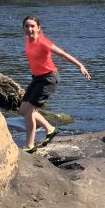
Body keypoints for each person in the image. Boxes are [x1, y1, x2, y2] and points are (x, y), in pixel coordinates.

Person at [19, 15, 91, 152]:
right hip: (36, 78)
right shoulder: (27, 39)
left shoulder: (43, 42)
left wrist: (80, 66)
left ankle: (29, 146)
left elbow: (63, 54)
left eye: (32, 26)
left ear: (38, 28)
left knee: (29, 111)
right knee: (23, 110)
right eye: (27, 26)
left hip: (48, 79)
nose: (30, 29)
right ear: (23, 28)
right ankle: (50, 129)